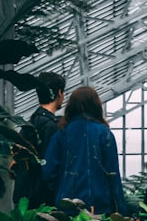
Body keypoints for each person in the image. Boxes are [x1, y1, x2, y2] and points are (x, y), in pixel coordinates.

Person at [42, 86, 127, 214]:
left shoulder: (61, 134)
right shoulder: (104, 133)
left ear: (71, 106)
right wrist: (121, 209)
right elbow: (113, 173)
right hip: (99, 206)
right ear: (96, 106)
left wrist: (61, 190)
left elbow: (48, 172)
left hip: (67, 206)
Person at [12, 72, 65, 207]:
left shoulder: (30, 123)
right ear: (59, 93)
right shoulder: (51, 127)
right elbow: (49, 166)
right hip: (42, 200)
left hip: (25, 197)